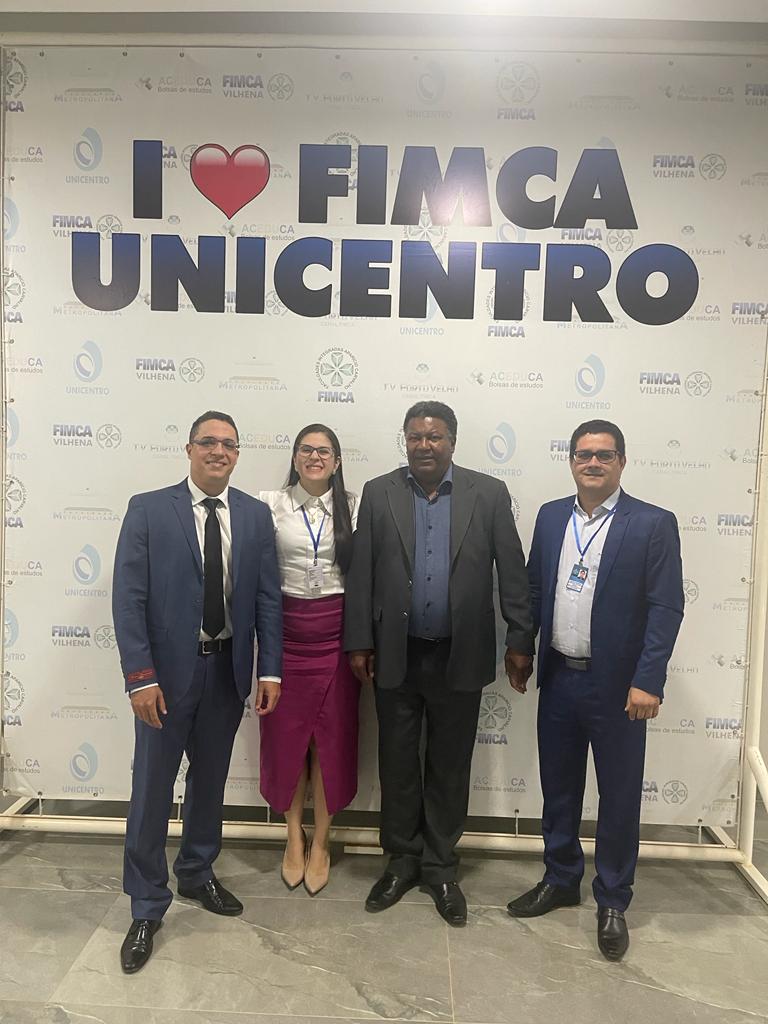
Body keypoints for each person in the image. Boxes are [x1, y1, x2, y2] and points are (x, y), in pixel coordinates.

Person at [344, 400, 534, 926]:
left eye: (435, 437)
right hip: (396, 653)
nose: (424, 445)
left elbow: (512, 571)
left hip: (461, 654)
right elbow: (362, 573)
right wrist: (359, 641)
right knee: (397, 763)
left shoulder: (487, 493)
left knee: (450, 766)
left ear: (452, 440)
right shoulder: (379, 492)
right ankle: (401, 861)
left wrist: (521, 639)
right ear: (405, 441)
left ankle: (441, 866)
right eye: (415, 437)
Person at [507, 419, 684, 962]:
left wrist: (648, 680)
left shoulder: (652, 523)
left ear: (622, 462)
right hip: (560, 676)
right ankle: (560, 879)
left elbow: (666, 607)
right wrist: (522, 647)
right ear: (571, 461)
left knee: (619, 796)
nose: (593, 463)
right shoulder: (551, 516)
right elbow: (534, 587)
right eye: (583, 454)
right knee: (559, 789)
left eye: (604, 455)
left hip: (619, 689)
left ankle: (612, 900)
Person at [113, 410, 282, 973]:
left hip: (226, 674)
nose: (218, 451)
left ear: (238, 454)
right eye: (208, 441)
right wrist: (140, 677)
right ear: (188, 449)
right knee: (151, 790)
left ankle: (196, 871)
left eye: (229, 444)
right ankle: (146, 904)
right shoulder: (148, 509)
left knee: (209, 783)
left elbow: (267, 599)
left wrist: (270, 670)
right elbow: (129, 599)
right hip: (163, 681)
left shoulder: (254, 516)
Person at [258, 424, 359, 896]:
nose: (315, 457)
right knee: (288, 745)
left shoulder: (355, 507)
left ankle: (322, 841)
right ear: (295, 457)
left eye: (324, 451)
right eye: (306, 449)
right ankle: (293, 837)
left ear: (337, 461)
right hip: (284, 638)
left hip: (337, 637)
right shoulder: (269, 505)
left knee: (331, 744)